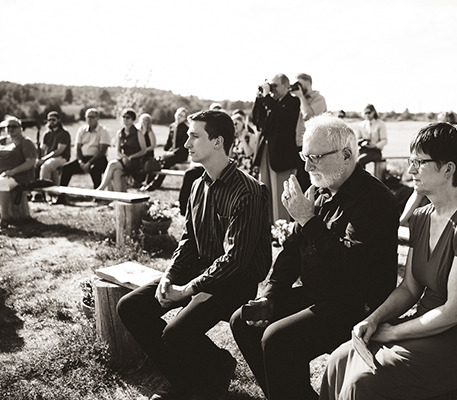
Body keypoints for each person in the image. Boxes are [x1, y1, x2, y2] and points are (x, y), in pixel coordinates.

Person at [320, 121, 457, 400]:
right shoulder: (421, 217)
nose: (410, 170)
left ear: (448, 169)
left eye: (419, 162)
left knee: (363, 382)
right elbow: (410, 288)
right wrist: (374, 319)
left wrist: (394, 333)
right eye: (410, 160)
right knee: (338, 360)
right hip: (426, 326)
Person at [230, 115, 398, 400]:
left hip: (357, 304)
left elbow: (352, 267)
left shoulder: (374, 199)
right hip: (320, 294)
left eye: (316, 158)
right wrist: (270, 296)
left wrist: (308, 219)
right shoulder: (319, 190)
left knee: (277, 339)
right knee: (243, 321)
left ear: (346, 155)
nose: (307, 166)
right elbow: (293, 250)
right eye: (305, 156)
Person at [116, 110, 272, 400]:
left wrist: (187, 290)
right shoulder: (197, 184)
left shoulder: (249, 191)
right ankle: (207, 370)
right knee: (131, 307)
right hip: (201, 269)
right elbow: (188, 239)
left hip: (236, 280)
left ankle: (194, 386)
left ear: (218, 142)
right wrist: (169, 277)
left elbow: (235, 260)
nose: (186, 143)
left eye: (194, 136)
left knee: (176, 332)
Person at [252, 73, 302, 222]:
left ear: (287, 86)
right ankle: (268, 226)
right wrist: (259, 99)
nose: (272, 89)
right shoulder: (270, 102)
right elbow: (257, 121)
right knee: (266, 191)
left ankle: (283, 227)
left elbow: (284, 117)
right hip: (267, 152)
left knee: (281, 193)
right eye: (270, 86)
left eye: (275, 86)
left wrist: (267, 98)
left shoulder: (293, 101)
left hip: (283, 156)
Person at [97, 110, 155, 192]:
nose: (125, 119)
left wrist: (131, 157)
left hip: (135, 161)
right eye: (123, 117)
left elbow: (143, 150)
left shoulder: (138, 133)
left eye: (128, 117)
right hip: (124, 161)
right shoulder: (120, 133)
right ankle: (118, 199)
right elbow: (118, 151)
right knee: (116, 173)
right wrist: (123, 157)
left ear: (133, 120)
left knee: (112, 164)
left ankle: (100, 189)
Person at [58, 108, 111, 188]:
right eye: (88, 117)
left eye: (92, 117)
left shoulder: (103, 131)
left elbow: (102, 150)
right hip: (83, 158)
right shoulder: (81, 130)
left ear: (97, 118)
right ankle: (61, 196)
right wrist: (80, 162)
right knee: (66, 168)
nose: (90, 119)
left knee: (95, 169)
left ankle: (98, 196)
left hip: (98, 159)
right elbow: (78, 147)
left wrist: (89, 163)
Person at [0, 116, 38, 224]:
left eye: (14, 126)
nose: (11, 129)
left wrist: (13, 171)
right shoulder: (3, 141)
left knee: (2, 183)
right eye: (8, 126)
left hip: (20, 176)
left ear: (20, 128)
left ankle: (5, 219)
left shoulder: (26, 143)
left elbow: (30, 162)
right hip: (4, 174)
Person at [142, 107, 191, 191]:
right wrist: (166, 149)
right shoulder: (172, 126)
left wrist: (172, 153)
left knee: (166, 163)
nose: (179, 117)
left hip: (181, 154)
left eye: (182, 116)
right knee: (155, 161)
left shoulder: (186, 129)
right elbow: (169, 141)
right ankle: (147, 182)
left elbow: (184, 146)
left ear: (185, 118)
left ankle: (155, 184)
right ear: (175, 114)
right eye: (178, 114)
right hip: (170, 153)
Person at [36, 111, 71, 187]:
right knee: (35, 164)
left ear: (58, 120)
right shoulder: (47, 133)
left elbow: (59, 151)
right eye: (49, 120)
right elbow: (43, 148)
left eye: (53, 120)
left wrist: (44, 159)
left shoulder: (64, 133)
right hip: (49, 157)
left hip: (61, 157)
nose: (51, 122)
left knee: (46, 166)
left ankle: (42, 190)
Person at [355, 104, 388, 179]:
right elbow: (358, 139)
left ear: (374, 112)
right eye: (365, 113)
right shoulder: (361, 125)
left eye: (369, 112)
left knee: (360, 161)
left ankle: (363, 181)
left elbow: (384, 140)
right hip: (363, 149)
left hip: (375, 151)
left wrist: (375, 145)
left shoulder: (380, 124)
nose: (367, 115)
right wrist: (362, 142)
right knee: (352, 161)